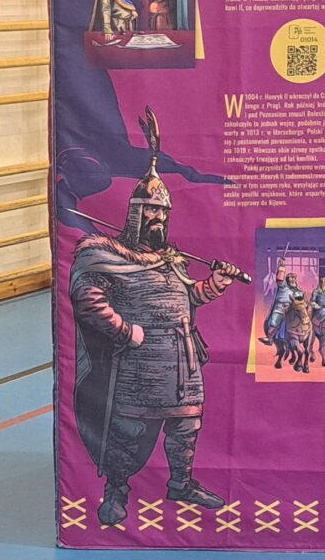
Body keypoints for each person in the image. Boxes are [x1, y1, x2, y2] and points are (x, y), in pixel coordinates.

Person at [68, 109, 242, 527]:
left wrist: (215, 284)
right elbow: (87, 298)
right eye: (152, 214)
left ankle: (181, 484)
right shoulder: (108, 255)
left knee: (186, 427)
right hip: (140, 361)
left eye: (163, 214)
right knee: (127, 430)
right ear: (136, 215)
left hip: (183, 359)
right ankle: (116, 491)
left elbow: (189, 299)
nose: (159, 220)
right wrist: (126, 332)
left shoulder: (172, 260)